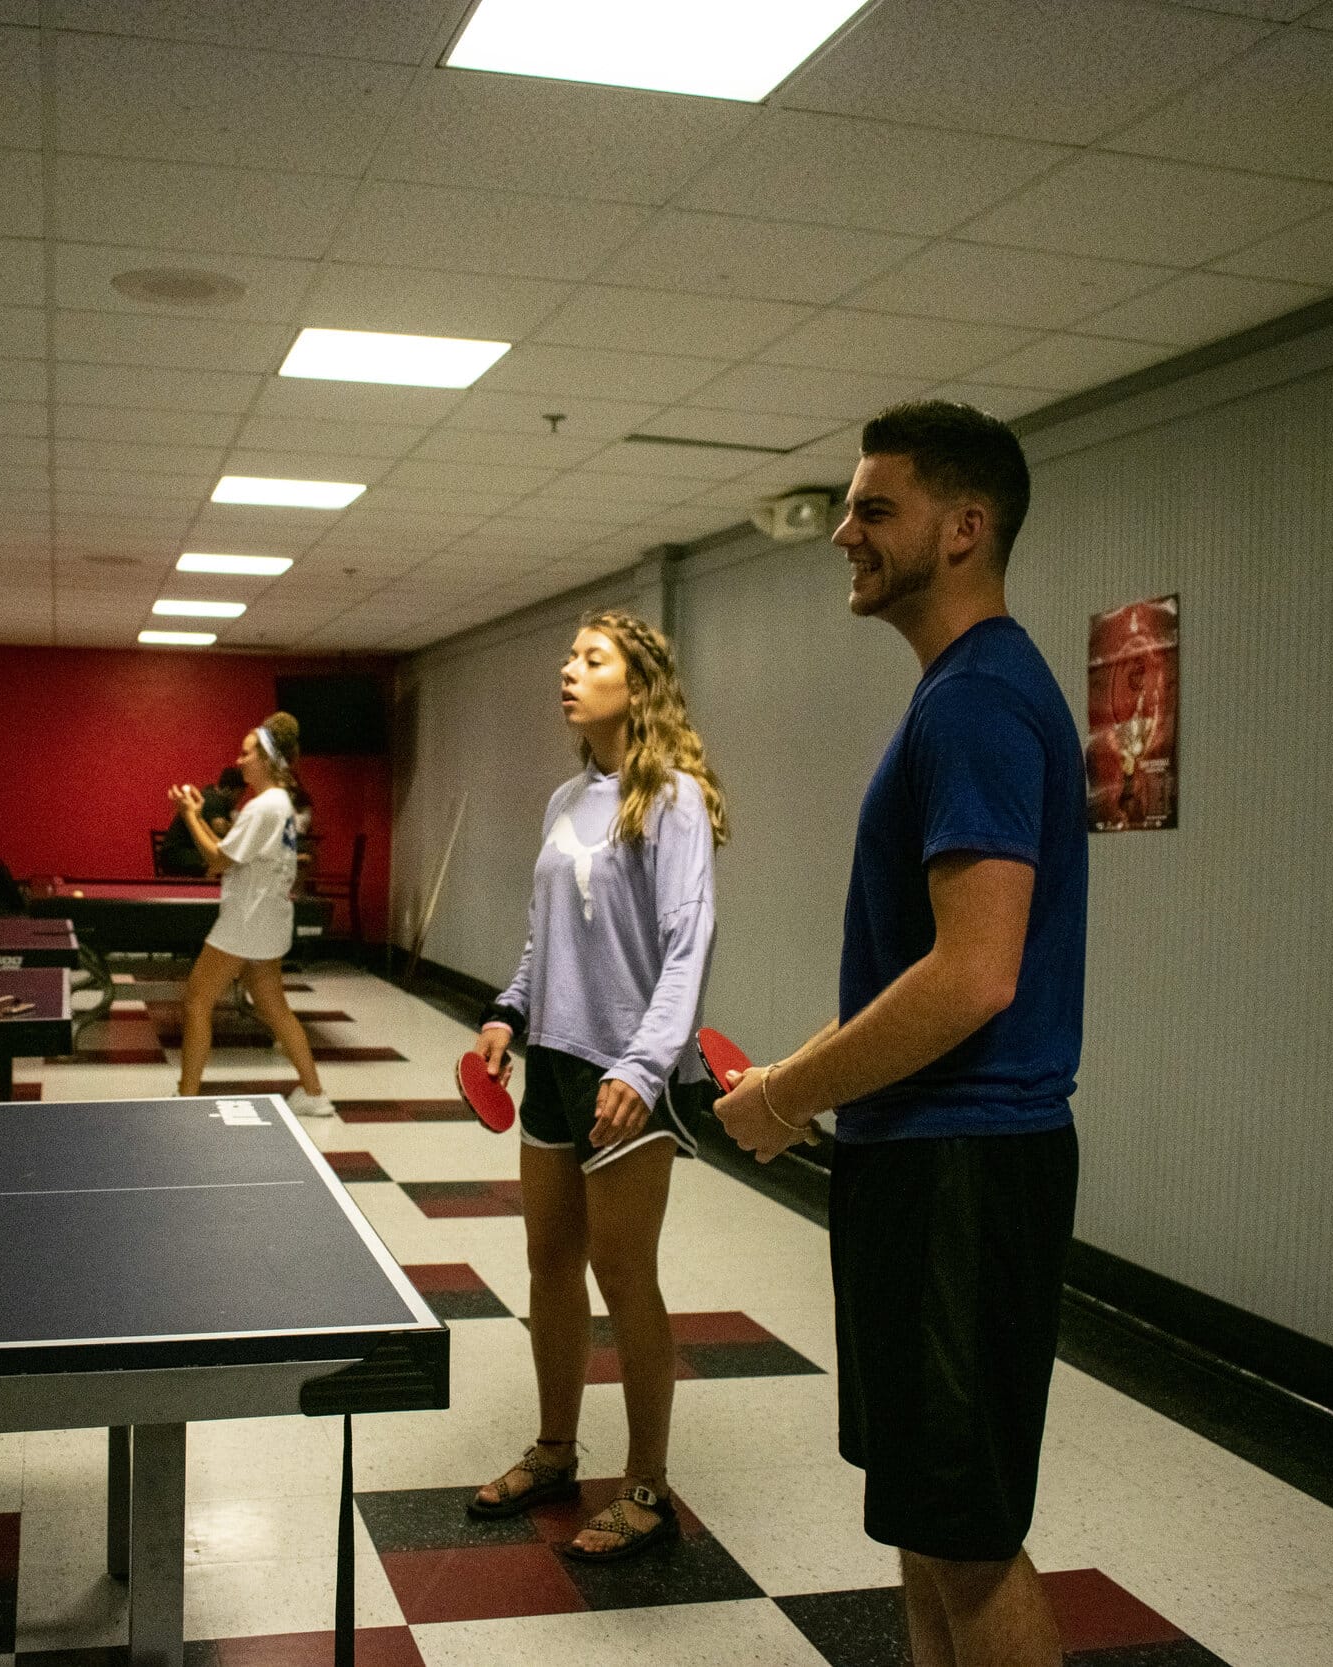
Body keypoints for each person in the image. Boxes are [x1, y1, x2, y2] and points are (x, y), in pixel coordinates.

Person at [715, 401, 1085, 1667]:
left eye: (876, 509)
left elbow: (974, 975)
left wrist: (784, 1095)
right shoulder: (959, 694)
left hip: (961, 1170)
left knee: (969, 1540)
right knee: (930, 1525)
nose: (846, 535)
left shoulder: (976, 702)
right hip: (923, 1160)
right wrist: (799, 1079)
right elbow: (923, 968)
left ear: (964, 528)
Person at [465, 609, 728, 1562]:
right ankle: (555, 1450)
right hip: (555, 1067)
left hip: (630, 1076)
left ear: (639, 681)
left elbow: (686, 945)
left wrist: (645, 1065)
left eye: (591, 657)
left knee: (628, 1280)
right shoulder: (561, 802)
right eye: (569, 655)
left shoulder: (675, 801)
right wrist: (508, 1011)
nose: (567, 669)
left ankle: (649, 1486)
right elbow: (546, 941)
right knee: (548, 1266)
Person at [167, 714, 332, 1119]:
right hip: (270, 919)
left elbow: (216, 862)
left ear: (268, 759)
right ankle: (314, 1094)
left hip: (245, 920)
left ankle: (186, 1099)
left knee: (196, 1001)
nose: (239, 762)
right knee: (274, 1005)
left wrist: (190, 815)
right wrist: (202, 820)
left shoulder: (264, 807)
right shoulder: (279, 805)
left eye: (246, 754)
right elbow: (225, 857)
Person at [160, 766, 243, 877]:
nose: (240, 798)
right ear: (228, 790)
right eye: (240, 793)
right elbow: (221, 833)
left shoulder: (209, 794)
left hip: (172, 854)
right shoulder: (214, 801)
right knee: (219, 862)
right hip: (179, 856)